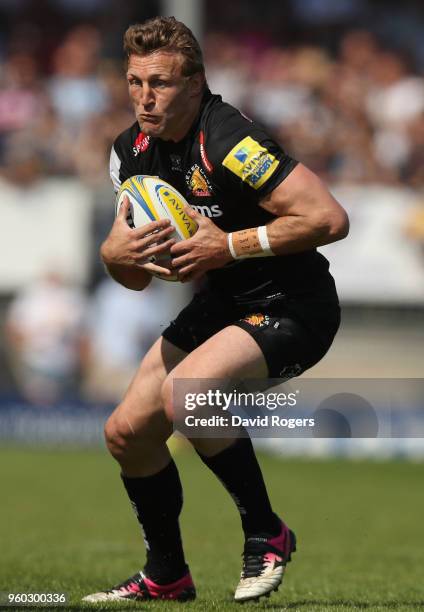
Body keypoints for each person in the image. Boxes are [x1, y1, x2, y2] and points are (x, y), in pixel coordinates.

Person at [83, 16, 349, 604]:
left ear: (197, 83)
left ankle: (266, 532)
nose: (145, 98)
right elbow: (129, 277)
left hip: (294, 307)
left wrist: (225, 244)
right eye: (134, 81)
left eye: (161, 83)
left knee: (190, 395)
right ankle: (167, 575)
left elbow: (330, 218)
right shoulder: (132, 152)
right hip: (226, 303)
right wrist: (111, 254)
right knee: (126, 434)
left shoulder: (229, 140)